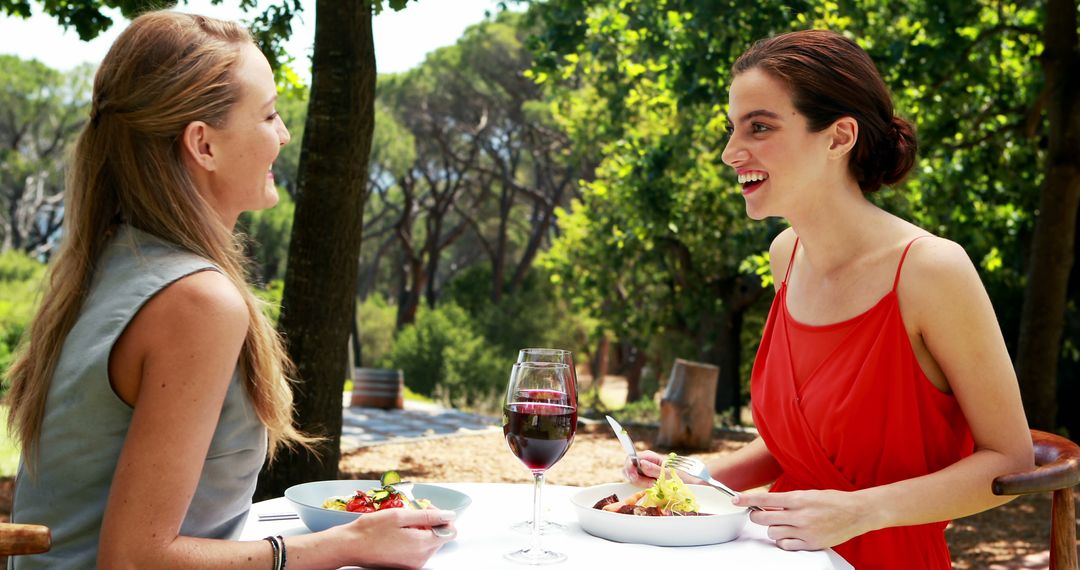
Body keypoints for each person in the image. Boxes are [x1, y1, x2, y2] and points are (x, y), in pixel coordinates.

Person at [5, 10, 454, 569]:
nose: (284, 134)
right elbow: (135, 560)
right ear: (204, 145)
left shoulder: (108, 261)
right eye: (268, 115)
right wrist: (351, 542)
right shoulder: (196, 300)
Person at [624, 29, 1033, 568]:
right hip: (777, 554)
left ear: (839, 137)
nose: (729, 152)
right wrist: (689, 476)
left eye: (760, 127)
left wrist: (861, 511)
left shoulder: (932, 271)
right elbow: (802, 447)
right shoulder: (784, 255)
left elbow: (1010, 461)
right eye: (732, 129)